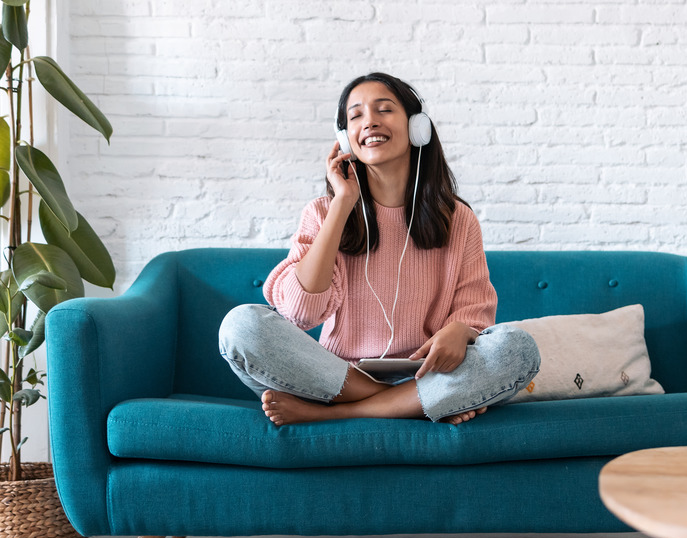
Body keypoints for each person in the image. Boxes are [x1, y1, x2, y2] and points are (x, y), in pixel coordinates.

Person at [218, 72, 539, 426]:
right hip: (336, 379)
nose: (369, 120)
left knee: (516, 349)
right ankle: (410, 407)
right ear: (345, 139)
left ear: (418, 128)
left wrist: (460, 330)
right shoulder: (323, 213)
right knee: (241, 326)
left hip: (425, 375)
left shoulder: (458, 219)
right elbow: (300, 313)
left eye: (384, 109)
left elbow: (474, 314)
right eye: (356, 115)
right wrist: (342, 204)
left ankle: (342, 415)